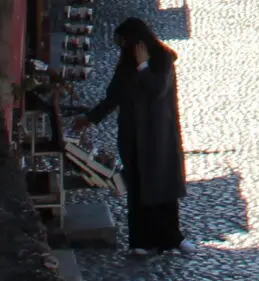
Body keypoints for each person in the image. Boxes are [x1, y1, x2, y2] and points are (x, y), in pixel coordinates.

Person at [74, 19, 186, 252]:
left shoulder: (163, 59)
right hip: (133, 134)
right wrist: (90, 118)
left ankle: (171, 238)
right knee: (137, 188)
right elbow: (113, 96)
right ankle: (140, 240)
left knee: (164, 187)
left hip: (159, 135)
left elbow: (157, 89)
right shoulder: (126, 63)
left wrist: (143, 66)